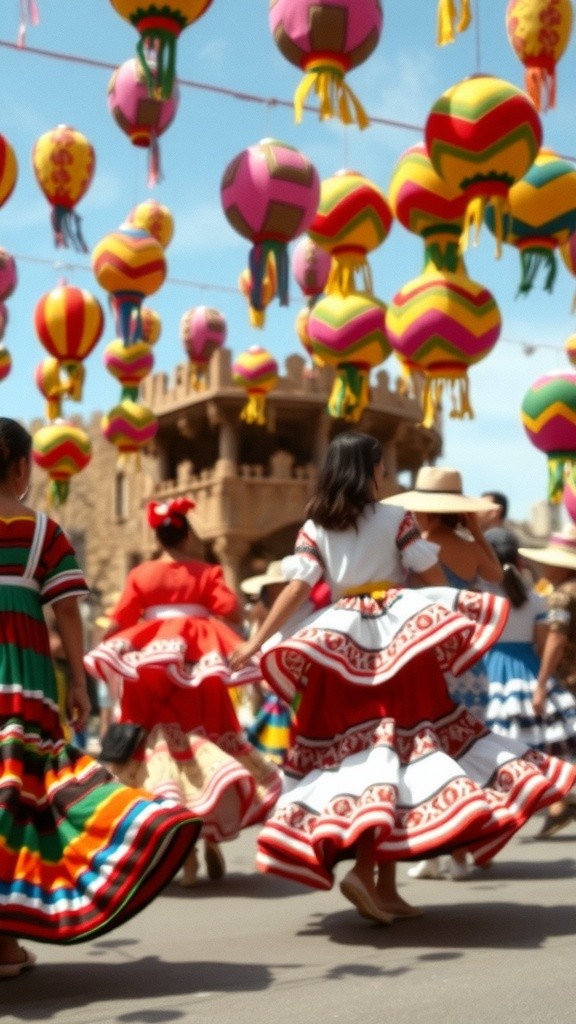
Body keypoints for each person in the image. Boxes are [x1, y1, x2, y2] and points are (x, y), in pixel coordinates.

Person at [230, 432, 576, 925]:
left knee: (364, 758)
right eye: (379, 466)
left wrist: (254, 641)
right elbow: (433, 580)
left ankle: (385, 886)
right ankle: (369, 873)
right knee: (404, 757)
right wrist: (430, 602)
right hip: (398, 645)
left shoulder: (316, 525)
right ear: (367, 470)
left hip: (340, 645)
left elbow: (296, 589)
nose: (384, 473)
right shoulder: (396, 518)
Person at [0, 418, 199, 978]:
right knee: (20, 794)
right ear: (23, 469)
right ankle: (6, 943)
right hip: (24, 679)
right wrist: (82, 686)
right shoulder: (43, 532)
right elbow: (68, 610)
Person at [84, 496, 282, 887]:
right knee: (204, 744)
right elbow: (231, 609)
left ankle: (186, 855)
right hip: (200, 665)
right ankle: (209, 838)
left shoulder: (141, 575)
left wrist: (116, 649)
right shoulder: (206, 572)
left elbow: (121, 618)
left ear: (157, 537)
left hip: (150, 670)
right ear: (187, 535)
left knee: (163, 755)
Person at [383, 466, 504, 880]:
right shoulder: (469, 548)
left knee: (425, 756)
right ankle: (459, 855)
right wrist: (476, 530)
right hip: (469, 659)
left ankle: (432, 852)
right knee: (463, 753)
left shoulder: (418, 547)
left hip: (429, 657)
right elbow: (497, 575)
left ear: (425, 511)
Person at [482, 525, 576, 770]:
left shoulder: (480, 596)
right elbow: (543, 643)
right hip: (527, 666)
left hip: (488, 665)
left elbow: (554, 640)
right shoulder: (535, 600)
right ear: (518, 561)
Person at [517, 524, 576, 837]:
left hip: (570, 678)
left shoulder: (562, 597)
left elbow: (556, 639)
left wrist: (541, 683)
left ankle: (561, 802)